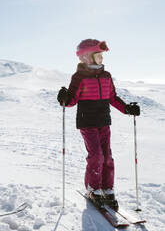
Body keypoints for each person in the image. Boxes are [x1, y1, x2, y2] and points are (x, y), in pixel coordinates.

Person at [57, 39, 140, 210]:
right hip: (87, 122)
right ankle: (93, 189)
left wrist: (126, 108)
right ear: (86, 57)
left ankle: (107, 189)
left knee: (107, 157)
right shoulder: (79, 77)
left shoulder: (106, 76)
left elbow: (112, 98)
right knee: (96, 156)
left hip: (103, 121)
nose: (101, 58)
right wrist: (65, 98)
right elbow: (72, 100)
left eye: (102, 55)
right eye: (98, 55)